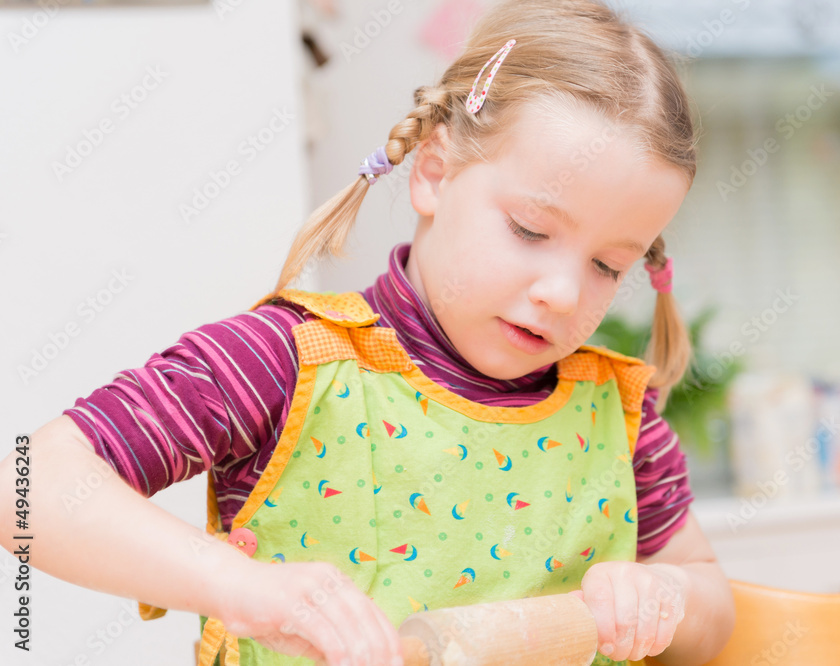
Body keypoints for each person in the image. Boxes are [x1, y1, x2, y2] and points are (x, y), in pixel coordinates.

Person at [0, 1, 735, 664]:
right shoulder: (285, 362)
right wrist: (238, 585)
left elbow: (711, 604)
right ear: (435, 172)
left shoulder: (619, 417)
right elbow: (27, 486)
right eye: (530, 229)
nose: (564, 293)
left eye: (608, 266)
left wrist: (666, 596)